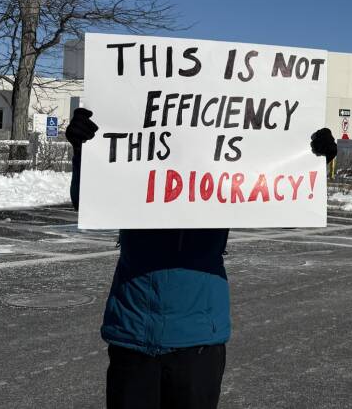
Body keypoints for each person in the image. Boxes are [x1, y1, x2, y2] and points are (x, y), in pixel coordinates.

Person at [66, 107, 337, 409]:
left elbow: (285, 205)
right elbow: (88, 202)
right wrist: (83, 150)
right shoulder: (139, 164)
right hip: (133, 331)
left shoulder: (224, 172)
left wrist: (312, 164)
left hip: (198, 341)